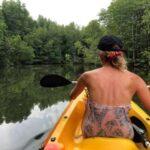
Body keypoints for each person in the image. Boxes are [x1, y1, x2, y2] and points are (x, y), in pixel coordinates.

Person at [70, 35, 150, 139]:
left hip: (92, 131)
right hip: (123, 133)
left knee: (87, 107)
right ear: (121, 56)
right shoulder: (136, 79)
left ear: (100, 55)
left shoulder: (87, 76)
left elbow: (72, 96)